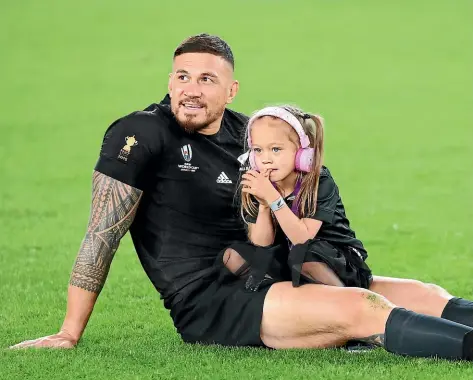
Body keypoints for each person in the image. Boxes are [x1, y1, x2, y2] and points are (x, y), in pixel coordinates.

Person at [10, 34, 473, 361]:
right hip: (214, 299)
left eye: (207, 80)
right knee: (363, 309)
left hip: (272, 270)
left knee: (423, 294)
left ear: (230, 90)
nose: (191, 89)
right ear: (170, 80)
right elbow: (100, 235)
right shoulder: (141, 134)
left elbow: (307, 192)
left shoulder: (250, 133)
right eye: (182, 76)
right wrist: (70, 333)